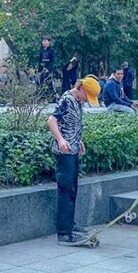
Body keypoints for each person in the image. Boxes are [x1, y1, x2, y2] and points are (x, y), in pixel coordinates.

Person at [48, 75, 101, 245]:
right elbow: (52, 120)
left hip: (74, 150)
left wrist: (78, 141)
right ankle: (64, 233)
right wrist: (61, 140)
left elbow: (71, 124)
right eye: (87, 96)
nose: (87, 101)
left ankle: (70, 225)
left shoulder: (78, 102)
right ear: (82, 89)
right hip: (64, 153)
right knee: (66, 190)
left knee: (72, 189)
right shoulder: (67, 99)